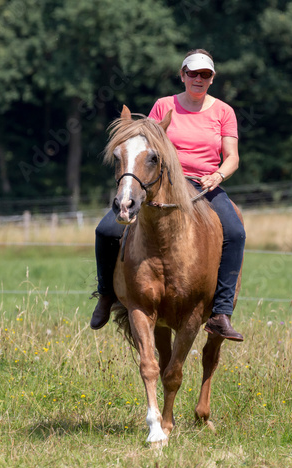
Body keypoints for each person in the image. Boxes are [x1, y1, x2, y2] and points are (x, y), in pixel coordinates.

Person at [90, 49, 246, 342]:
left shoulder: (224, 111)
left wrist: (218, 175)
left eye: (205, 75)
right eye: (192, 73)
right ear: (182, 75)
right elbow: (145, 143)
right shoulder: (163, 106)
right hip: (162, 182)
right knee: (106, 229)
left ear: (212, 78)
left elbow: (232, 157)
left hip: (204, 186)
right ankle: (107, 295)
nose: (198, 79)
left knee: (235, 232)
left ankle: (221, 313)